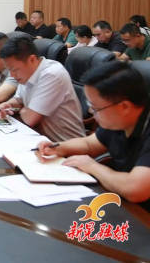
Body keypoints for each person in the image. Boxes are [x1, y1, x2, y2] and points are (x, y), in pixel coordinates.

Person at [37, 61, 150, 211]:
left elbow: (135, 189)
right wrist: (58, 148)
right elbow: (89, 144)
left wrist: (92, 166)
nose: (91, 112)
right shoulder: (119, 119)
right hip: (122, 204)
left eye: (95, 108)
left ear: (124, 106)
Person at [0, 36, 85, 142]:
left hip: (64, 145)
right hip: (39, 139)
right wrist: (8, 105)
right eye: (9, 70)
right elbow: (19, 100)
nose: (12, 75)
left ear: (32, 59)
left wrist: (22, 109)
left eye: (14, 70)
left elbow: (30, 119)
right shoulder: (26, 73)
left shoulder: (52, 74)